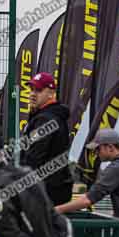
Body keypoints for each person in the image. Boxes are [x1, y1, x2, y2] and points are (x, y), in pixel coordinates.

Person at [21, 72, 74, 206]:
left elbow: (34, 158)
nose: (32, 94)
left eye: (38, 90)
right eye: (31, 89)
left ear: (51, 93)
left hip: (46, 189)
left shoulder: (46, 119)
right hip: (54, 188)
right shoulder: (48, 115)